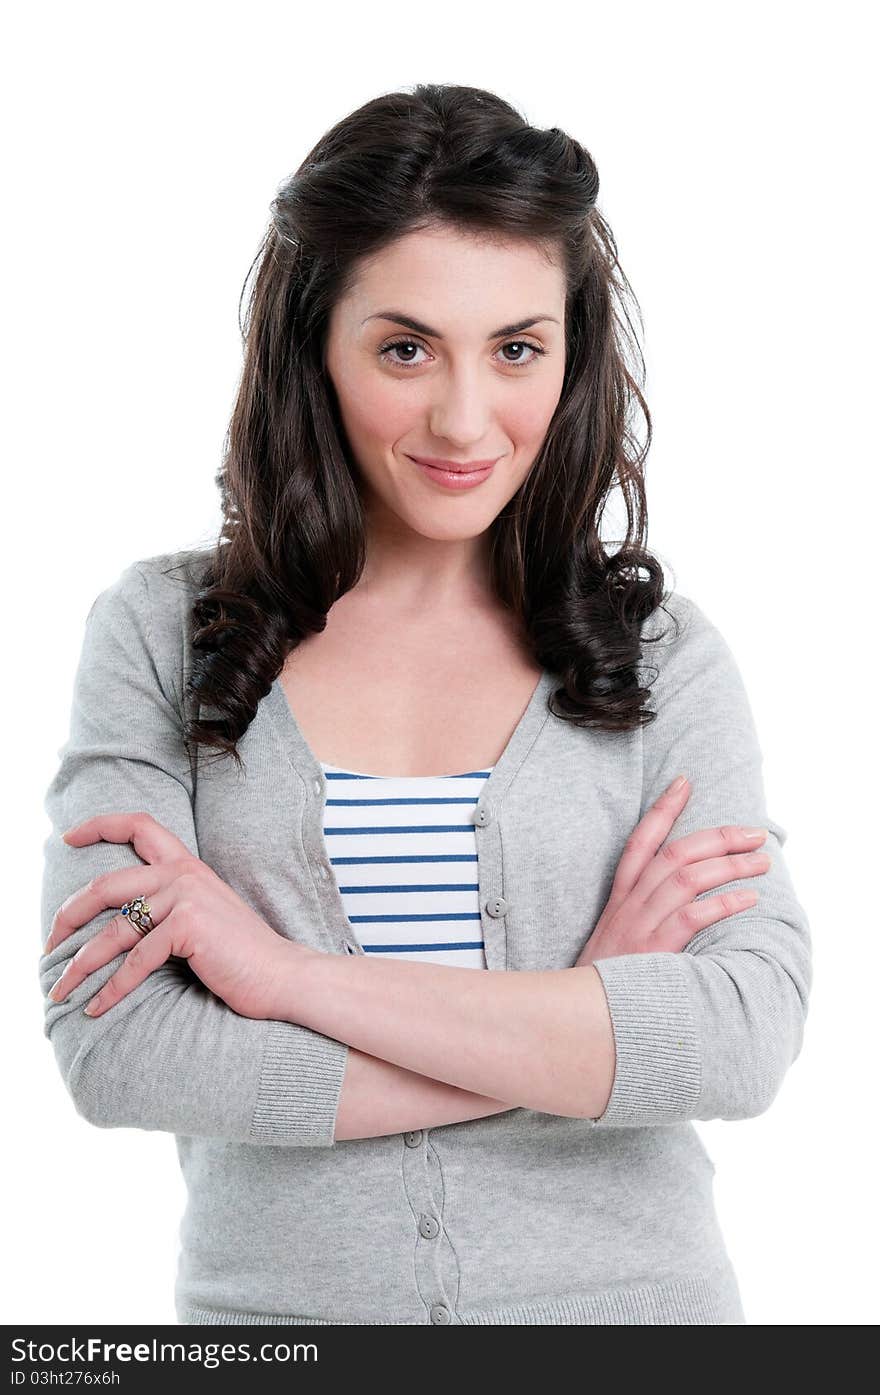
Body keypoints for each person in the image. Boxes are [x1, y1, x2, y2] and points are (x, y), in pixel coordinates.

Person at [39, 82, 812, 1326]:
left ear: (572, 350)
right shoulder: (164, 636)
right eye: (405, 348)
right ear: (317, 348)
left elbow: (736, 1037)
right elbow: (121, 1054)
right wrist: (577, 1023)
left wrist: (282, 977)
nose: (466, 419)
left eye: (517, 348)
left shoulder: (660, 656)